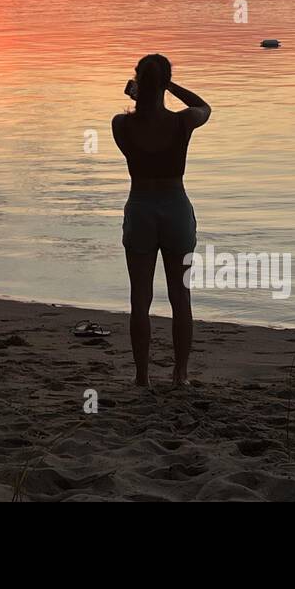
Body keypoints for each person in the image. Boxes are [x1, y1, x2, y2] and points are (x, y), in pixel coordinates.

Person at [111, 54, 211, 387]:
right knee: (180, 297)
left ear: (138, 82)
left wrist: (145, 93)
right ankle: (179, 375)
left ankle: (142, 376)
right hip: (174, 209)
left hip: (141, 208)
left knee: (140, 298)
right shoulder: (182, 123)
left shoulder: (121, 125)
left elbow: (142, 117)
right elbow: (204, 107)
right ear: (165, 83)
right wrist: (170, 88)